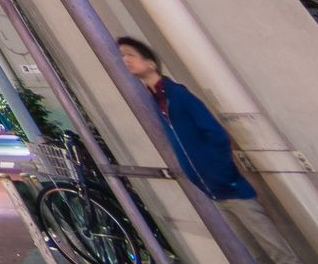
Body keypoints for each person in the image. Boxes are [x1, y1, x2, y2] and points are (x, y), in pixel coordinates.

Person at [119, 36, 296, 264]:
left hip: (229, 187)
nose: (125, 60)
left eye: (130, 55)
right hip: (212, 191)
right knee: (252, 254)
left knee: (277, 251)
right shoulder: (156, 102)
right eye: (122, 56)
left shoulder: (178, 95)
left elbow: (216, 134)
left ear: (150, 63)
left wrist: (221, 173)